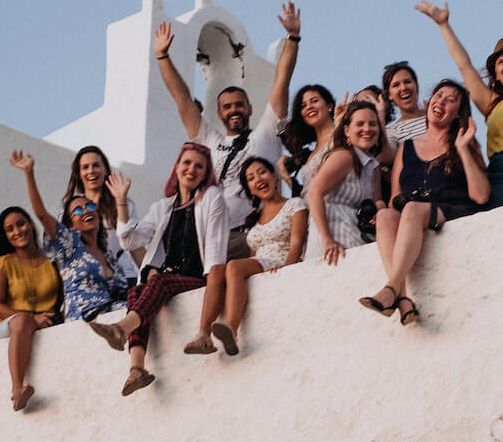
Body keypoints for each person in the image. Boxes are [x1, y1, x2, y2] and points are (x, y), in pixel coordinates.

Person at [88, 144, 230, 393]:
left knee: (158, 282)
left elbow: (216, 253)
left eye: (199, 166)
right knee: (136, 292)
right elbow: (130, 240)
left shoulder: (211, 199)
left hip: (197, 278)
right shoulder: (163, 207)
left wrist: (205, 326)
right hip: (167, 278)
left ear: (206, 173)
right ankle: (136, 370)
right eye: (186, 163)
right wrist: (121, 201)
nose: (191, 169)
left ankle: (121, 329)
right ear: (176, 168)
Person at [154, 3, 301, 231]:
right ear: (220, 112)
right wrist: (163, 57)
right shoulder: (210, 141)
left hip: (261, 230)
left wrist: (293, 37)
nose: (234, 110)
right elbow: (182, 98)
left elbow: (282, 79)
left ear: (250, 108)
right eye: (228, 107)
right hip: (217, 234)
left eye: (239, 105)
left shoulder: (267, 133)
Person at [360, 80, 490, 325]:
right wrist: (389, 209)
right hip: (414, 213)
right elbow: (395, 196)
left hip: (451, 209)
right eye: (438, 95)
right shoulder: (406, 147)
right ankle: (404, 301)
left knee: (410, 209)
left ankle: (391, 288)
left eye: (450, 99)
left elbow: (481, 196)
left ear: (457, 114)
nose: (441, 101)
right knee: (388, 215)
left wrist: (462, 148)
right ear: (429, 102)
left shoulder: (465, 143)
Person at [415, 1, 503, 207]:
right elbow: (464, 65)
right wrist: (443, 25)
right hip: (502, 170)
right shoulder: (492, 102)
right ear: (495, 74)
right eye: (501, 63)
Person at [12, 151, 135, 322]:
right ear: (70, 225)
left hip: (109, 314)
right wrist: (29, 173)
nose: (85, 211)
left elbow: (124, 294)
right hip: (83, 316)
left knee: (144, 303)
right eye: (78, 210)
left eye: (90, 206)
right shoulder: (71, 246)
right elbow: (42, 215)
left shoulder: (109, 256)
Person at [209, 156, 308, 355]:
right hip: (259, 265)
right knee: (220, 269)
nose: (258, 179)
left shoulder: (294, 204)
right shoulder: (253, 219)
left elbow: (297, 241)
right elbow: (253, 254)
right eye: (251, 178)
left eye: (262, 172)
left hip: (281, 261)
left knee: (234, 266)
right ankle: (204, 333)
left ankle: (232, 329)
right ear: (250, 189)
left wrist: (288, 268)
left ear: (274, 176)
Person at [0, 207, 62, 412]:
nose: (17, 231)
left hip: (47, 322)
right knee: (22, 320)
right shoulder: (3, 264)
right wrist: (31, 317)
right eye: (9, 229)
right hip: (10, 327)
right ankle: (17, 390)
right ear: (6, 236)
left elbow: (64, 299)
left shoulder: (52, 261)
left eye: (21, 224)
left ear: (31, 224)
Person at [305, 100, 386, 264]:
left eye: (373, 124)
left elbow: (376, 200)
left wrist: (380, 209)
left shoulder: (373, 166)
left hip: (357, 231)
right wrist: (326, 239)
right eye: (360, 124)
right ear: (347, 130)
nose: (367, 129)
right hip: (333, 232)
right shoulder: (344, 156)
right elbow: (314, 193)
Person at [56, 144, 138, 264]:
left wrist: (150, 276)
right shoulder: (69, 212)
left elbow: (134, 245)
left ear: (105, 170)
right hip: (87, 277)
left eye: (96, 165)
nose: (91, 171)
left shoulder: (123, 204)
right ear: (78, 173)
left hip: (123, 276)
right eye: (85, 167)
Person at [278, 84, 336, 193]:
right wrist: (287, 178)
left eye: (314, 101)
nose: (309, 107)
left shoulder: (343, 136)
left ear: (329, 106)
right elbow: (307, 195)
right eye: (303, 105)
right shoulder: (309, 155)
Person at [381, 62, 428, 145]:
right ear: (389, 95)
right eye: (396, 85)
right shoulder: (392, 132)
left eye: (407, 82)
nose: (403, 88)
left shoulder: (437, 117)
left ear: (416, 85)